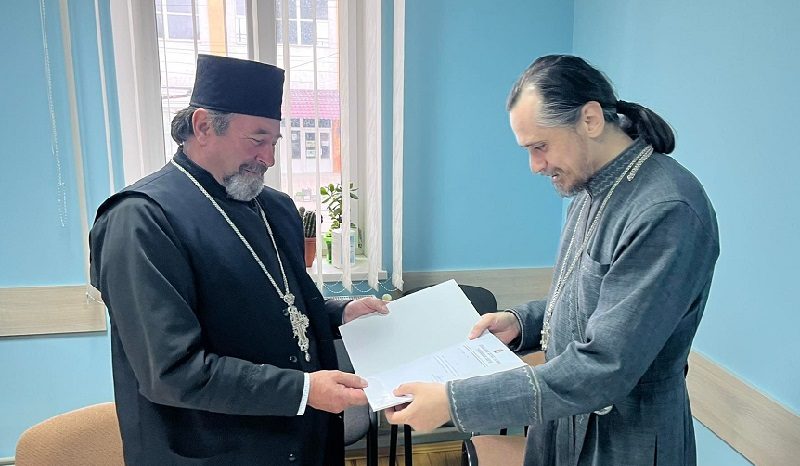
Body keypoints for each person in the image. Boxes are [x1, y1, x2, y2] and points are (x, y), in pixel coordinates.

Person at [385, 55, 719, 465]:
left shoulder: (667, 210)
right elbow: (590, 301)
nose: (535, 166)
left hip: (624, 441)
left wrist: (454, 402)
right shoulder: (590, 188)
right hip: (562, 425)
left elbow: (606, 366)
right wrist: (521, 322)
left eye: (540, 147)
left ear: (590, 119)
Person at [89, 54, 387, 465]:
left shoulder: (276, 208)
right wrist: (303, 390)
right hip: (211, 449)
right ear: (203, 126)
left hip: (301, 440)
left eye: (274, 143)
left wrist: (341, 313)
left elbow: (281, 305)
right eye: (257, 140)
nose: (269, 158)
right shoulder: (140, 219)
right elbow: (171, 370)